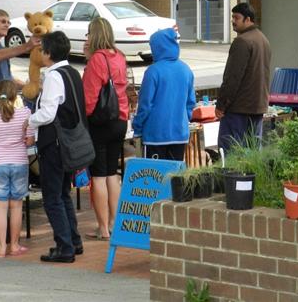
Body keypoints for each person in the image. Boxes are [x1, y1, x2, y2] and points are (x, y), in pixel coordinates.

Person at [27, 31, 85, 263]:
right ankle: (73, 240)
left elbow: (49, 113)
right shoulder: (72, 72)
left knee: (52, 197)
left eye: (42, 50)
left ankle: (64, 247)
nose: (40, 53)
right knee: (63, 194)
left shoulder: (53, 77)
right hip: (70, 143)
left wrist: (29, 121)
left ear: (48, 53)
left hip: (54, 144)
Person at [82, 17, 128, 241]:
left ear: (94, 35)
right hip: (120, 119)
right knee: (112, 174)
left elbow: (89, 98)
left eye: (88, 34)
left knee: (98, 176)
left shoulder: (96, 60)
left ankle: (103, 228)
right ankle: (113, 222)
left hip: (101, 122)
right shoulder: (120, 56)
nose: (87, 38)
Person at [0, 80, 34, 258]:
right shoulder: (25, 113)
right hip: (19, 162)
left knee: (0, 207)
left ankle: (1, 247)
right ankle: (15, 245)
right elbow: (30, 140)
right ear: (15, 96)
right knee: (16, 206)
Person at [215, 2, 271, 152]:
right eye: (232, 17)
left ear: (248, 19)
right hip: (257, 106)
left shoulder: (242, 41)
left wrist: (221, 104)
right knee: (252, 153)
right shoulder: (263, 39)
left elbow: (232, 77)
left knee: (232, 154)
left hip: (239, 108)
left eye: (236, 17)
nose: (233, 20)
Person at [133, 28, 195, 161]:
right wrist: (184, 119)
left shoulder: (153, 71)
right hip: (180, 134)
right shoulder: (186, 69)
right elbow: (190, 103)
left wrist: (137, 127)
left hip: (155, 135)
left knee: (154, 178)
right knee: (174, 177)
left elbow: (145, 105)